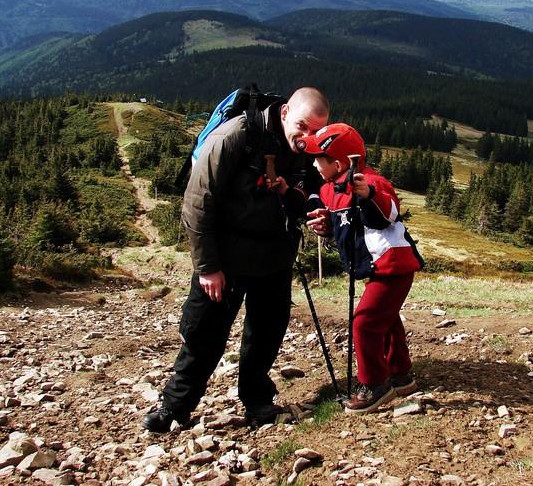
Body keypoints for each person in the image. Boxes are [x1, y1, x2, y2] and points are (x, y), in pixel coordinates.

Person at [142, 87, 330, 432]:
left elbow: (320, 190)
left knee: (266, 334)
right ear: (286, 112)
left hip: (275, 255)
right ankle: (175, 406)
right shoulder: (238, 135)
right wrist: (207, 267)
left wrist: (321, 215)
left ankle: (258, 402)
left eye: (316, 131)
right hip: (225, 258)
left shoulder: (310, 149)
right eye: (302, 127)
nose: (307, 138)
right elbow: (198, 202)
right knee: (203, 334)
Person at [301, 123, 423, 414]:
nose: (315, 163)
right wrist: (326, 226)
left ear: (341, 162)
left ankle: (375, 385)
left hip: (393, 265)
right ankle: (401, 375)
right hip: (376, 266)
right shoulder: (330, 190)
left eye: (320, 157)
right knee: (387, 319)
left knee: (365, 322)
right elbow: (343, 226)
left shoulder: (373, 182)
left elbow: (388, 215)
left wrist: (368, 195)